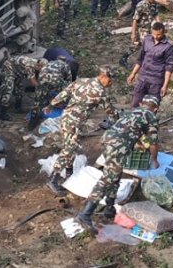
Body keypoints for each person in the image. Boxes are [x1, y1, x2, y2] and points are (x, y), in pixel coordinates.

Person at [76, 95, 160, 234]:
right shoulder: (151, 116)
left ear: (141, 103)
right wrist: (155, 160)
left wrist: (137, 142)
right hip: (118, 145)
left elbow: (132, 129)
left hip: (106, 139)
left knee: (115, 173)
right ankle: (85, 213)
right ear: (155, 108)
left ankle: (109, 208)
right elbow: (153, 143)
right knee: (107, 179)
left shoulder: (133, 111)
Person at [45, 66, 118, 196]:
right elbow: (111, 112)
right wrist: (120, 122)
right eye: (110, 80)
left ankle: (69, 175)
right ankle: (53, 179)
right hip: (73, 122)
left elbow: (64, 93)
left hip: (66, 118)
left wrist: (51, 105)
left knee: (71, 146)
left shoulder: (81, 81)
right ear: (103, 76)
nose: (111, 83)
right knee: (69, 149)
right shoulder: (101, 93)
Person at [127, 22, 173, 108]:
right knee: (135, 104)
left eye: (159, 34)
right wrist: (133, 74)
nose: (156, 36)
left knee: (152, 107)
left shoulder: (168, 47)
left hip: (156, 81)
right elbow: (140, 59)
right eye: (154, 34)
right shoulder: (147, 40)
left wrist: (165, 85)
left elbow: (169, 67)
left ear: (164, 33)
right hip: (142, 78)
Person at [120, 0, 161, 68]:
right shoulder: (141, 5)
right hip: (141, 29)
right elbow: (135, 20)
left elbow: (156, 15)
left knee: (136, 45)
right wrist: (133, 33)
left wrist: (160, 27)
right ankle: (148, 63)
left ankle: (123, 59)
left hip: (149, 28)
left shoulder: (154, 4)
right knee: (149, 45)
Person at [28, 56, 73, 130]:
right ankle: (63, 105)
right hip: (55, 79)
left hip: (42, 78)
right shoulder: (66, 65)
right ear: (65, 61)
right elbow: (69, 81)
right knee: (66, 91)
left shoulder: (50, 62)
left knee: (38, 99)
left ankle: (31, 124)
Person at [0, 55, 48, 121]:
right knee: (8, 90)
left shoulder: (36, 63)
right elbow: (33, 83)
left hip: (18, 71)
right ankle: (3, 114)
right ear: (38, 66)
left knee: (20, 89)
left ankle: (17, 108)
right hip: (8, 69)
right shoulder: (29, 66)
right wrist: (43, 88)